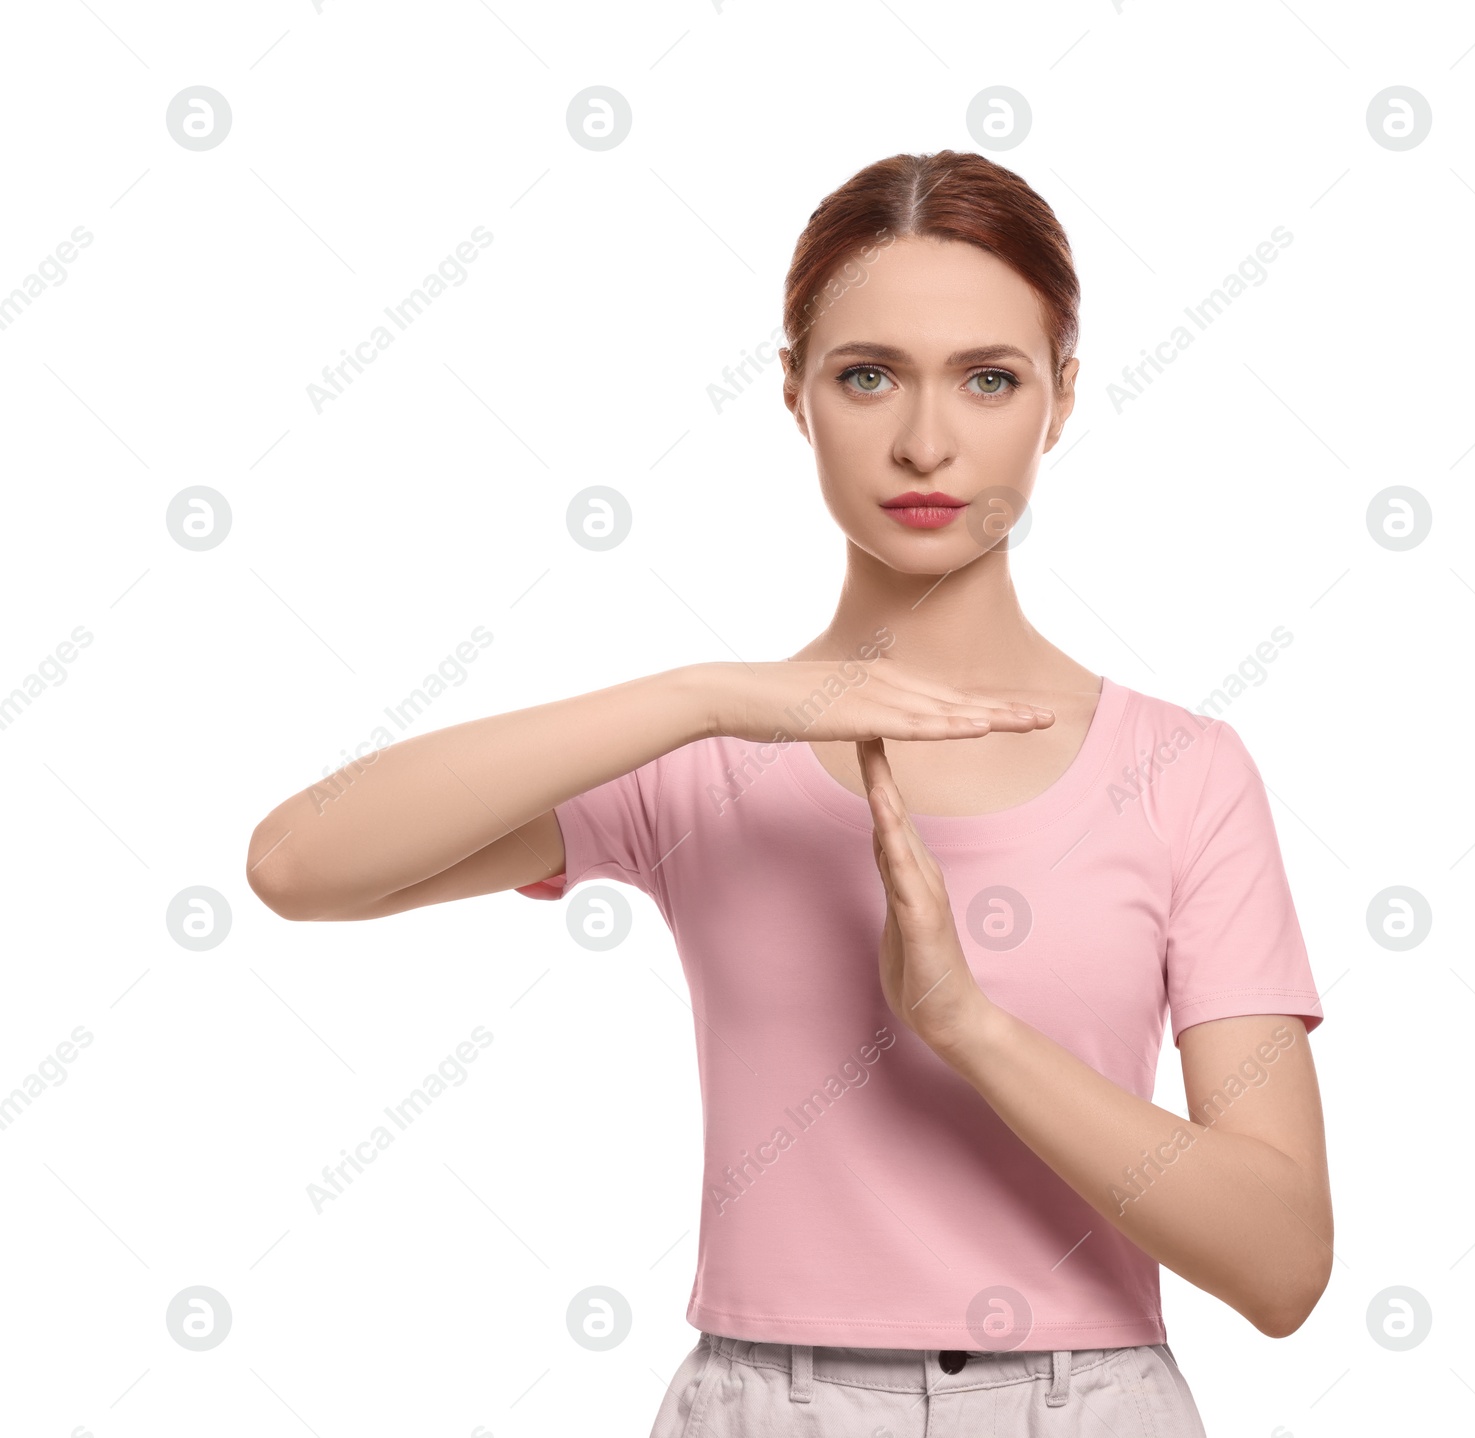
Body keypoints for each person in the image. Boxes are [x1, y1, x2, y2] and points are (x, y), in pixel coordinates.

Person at [246, 149, 1331, 1436]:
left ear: (1061, 399)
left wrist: (967, 1027)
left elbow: (1281, 1264)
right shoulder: (706, 757)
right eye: (866, 375)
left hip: (1089, 1405)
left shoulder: (1183, 772)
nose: (926, 440)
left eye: (989, 379)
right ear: (793, 394)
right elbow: (297, 865)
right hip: (769, 1402)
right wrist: (705, 695)